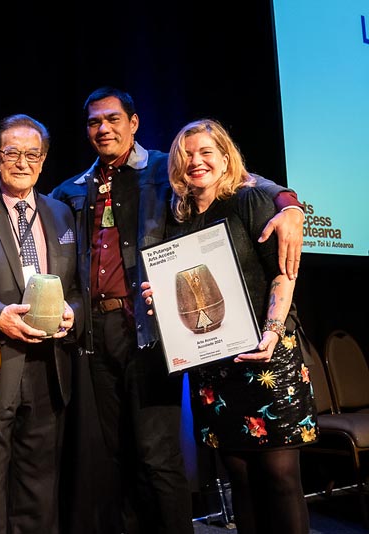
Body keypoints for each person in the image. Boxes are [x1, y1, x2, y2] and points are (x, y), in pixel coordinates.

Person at [49, 86, 305, 534]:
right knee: (127, 455)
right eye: (94, 121)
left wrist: (291, 203)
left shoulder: (165, 174)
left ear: (134, 123)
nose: (103, 128)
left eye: (113, 119)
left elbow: (249, 180)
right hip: (105, 334)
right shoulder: (75, 190)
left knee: (162, 455)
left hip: (160, 336)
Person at [141, 118, 317, 534]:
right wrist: (160, 301)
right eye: (187, 155)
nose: (196, 162)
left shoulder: (249, 201)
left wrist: (273, 330)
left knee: (280, 476)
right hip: (214, 365)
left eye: (206, 152)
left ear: (225, 158)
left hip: (268, 355)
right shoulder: (177, 219)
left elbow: (283, 274)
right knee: (239, 476)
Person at [0, 114, 81, 534]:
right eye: (12, 153)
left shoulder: (61, 213)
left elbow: (77, 287)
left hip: (49, 369)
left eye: (32, 154)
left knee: (39, 492)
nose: (22, 162)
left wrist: (72, 313)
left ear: (43, 161)